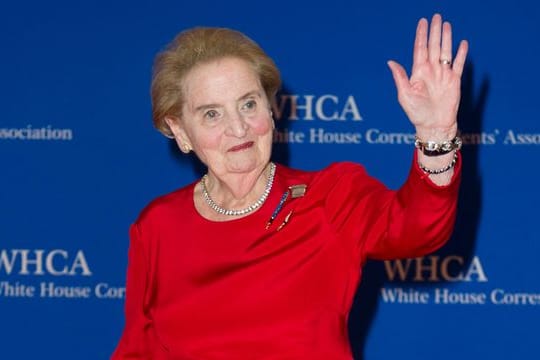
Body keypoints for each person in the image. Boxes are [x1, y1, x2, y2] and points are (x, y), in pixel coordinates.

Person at [112, 13, 468, 359]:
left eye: (249, 104)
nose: (239, 129)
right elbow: (138, 350)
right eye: (212, 114)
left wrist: (435, 135)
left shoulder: (330, 197)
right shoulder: (157, 226)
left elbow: (419, 228)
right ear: (180, 131)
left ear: (270, 109)